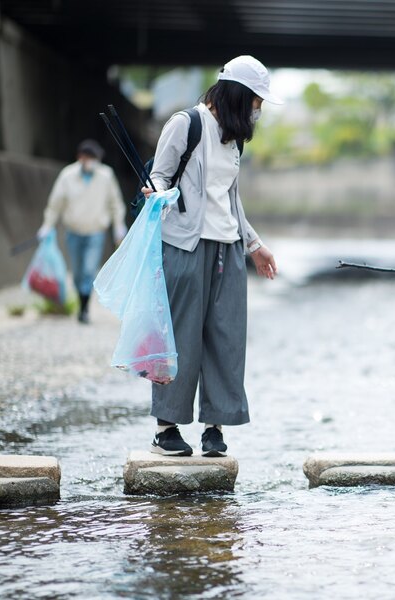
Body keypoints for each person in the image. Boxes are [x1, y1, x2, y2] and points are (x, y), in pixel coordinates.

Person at [140, 55, 280, 457]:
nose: (259, 109)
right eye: (256, 100)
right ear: (236, 94)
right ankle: (166, 429)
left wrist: (254, 245)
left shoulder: (233, 137)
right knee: (181, 337)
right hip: (185, 246)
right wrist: (157, 193)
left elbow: (230, 198)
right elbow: (160, 176)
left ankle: (214, 428)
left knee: (227, 338)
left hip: (228, 248)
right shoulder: (187, 123)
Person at [38, 139, 126, 323]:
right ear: (81, 158)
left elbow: (115, 203)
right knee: (77, 273)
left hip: (96, 232)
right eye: (90, 158)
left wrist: (119, 225)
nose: (93, 162)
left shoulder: (106, 175)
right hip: (74, 231)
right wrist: (47, 225)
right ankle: (81, 302)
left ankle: (84, 309)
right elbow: (55, 204)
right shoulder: (67, 175)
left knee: (89, 269)